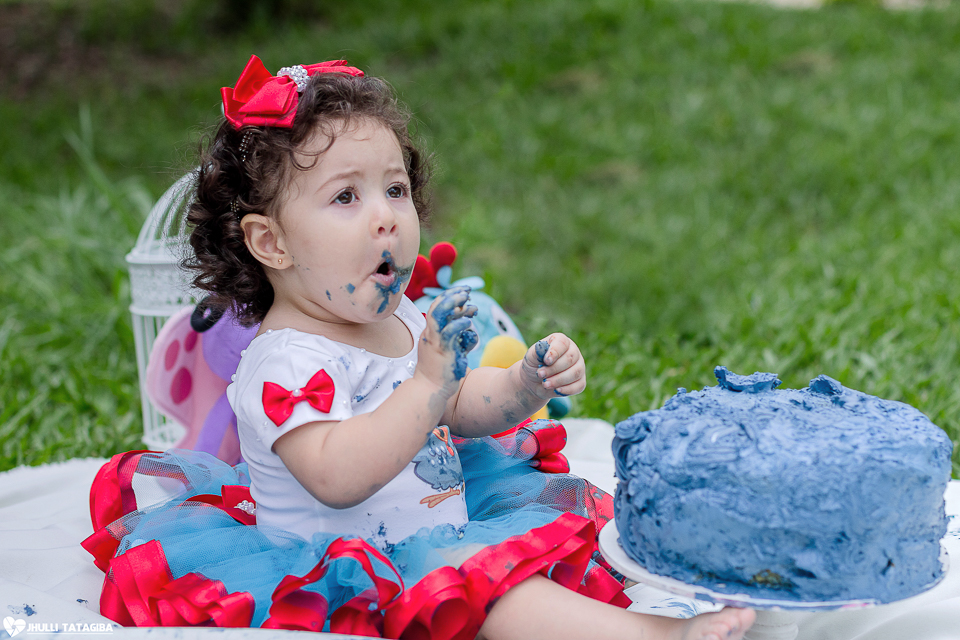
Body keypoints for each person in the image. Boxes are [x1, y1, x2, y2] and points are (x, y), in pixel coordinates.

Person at [84, 55, 755, 640]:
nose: (387, 215)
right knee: (498, 593)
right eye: (345, 196)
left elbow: (457, 408)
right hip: (347, 569)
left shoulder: (400, 318)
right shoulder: (285, 362)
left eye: (395, 188)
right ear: (272, 243)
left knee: (525, 557)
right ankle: (654, 635)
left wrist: (525, 384)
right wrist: (425, 384)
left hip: (435, 536)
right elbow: (337, 477)